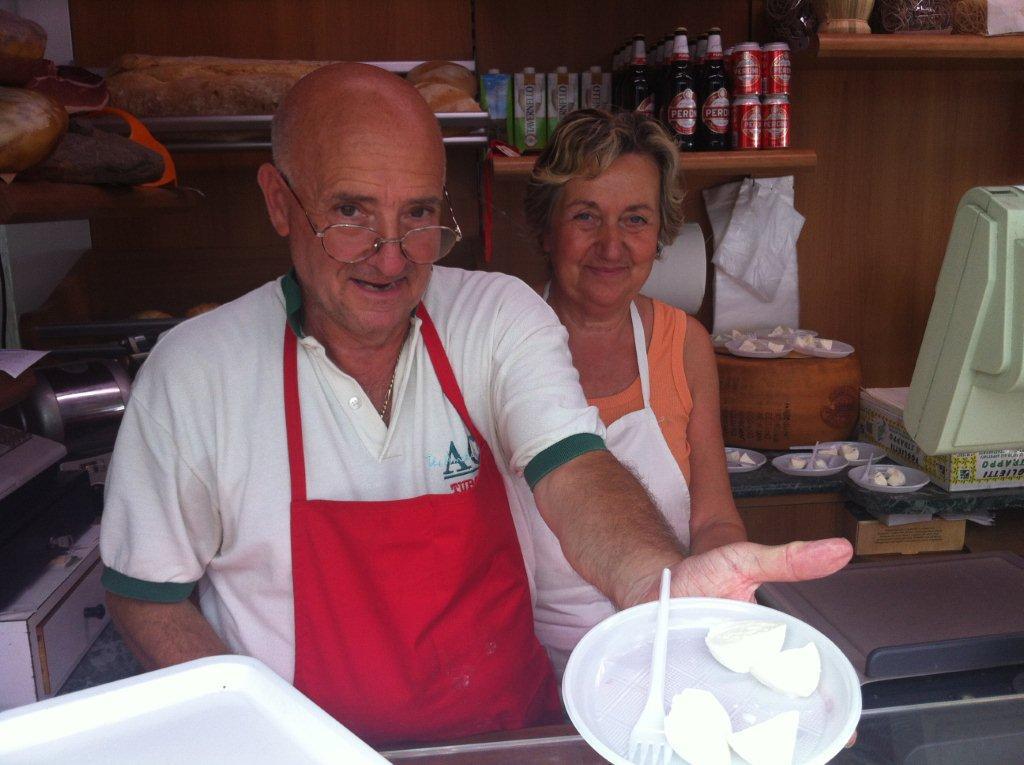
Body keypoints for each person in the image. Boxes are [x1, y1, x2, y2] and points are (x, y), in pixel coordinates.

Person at [100, 63, 853, 746]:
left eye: (419, 215)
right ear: (279, 202)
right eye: (352, 213)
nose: (391, 257)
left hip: (505, 738)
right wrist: (257, 735)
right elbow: (147, 597)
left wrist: (657, 588)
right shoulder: (195, 373)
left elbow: (576, 471)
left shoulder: (497, 316)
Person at [516, 109, 753, 673]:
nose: (611, 246)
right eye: (585, 217)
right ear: (548, 230)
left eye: (635, 219)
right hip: (532, 653)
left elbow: (713, 517)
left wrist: (725, 626)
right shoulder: (505, 335)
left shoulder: (684, 343)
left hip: (664, 640)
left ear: (661, 233)